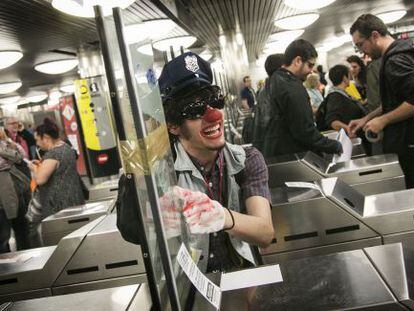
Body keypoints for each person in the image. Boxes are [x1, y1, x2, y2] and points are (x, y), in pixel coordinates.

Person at [157, 52, 274, 274]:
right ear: (173, 125)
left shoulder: (248, 160)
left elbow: (265, 233)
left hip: (243, 276)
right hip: (192, 289)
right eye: (195, 109)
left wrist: (222, 216)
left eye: (214, 101)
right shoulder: (162, 172)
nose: (213, 115)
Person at [349, 14, 414, 188]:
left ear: (375, 35)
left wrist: (383, 120)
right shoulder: (401, 51)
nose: (362, 51)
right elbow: (396, 102)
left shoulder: (396, 60)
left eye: (361, 44)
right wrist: (367, 119)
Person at [263, 39, 342, 157]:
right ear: (298, 61)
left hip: (276, 155)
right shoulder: (291, 87)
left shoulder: (274, 80)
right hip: (293, 157)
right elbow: (305, 132)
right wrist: (334, 145)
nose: (310, 71)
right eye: (309, 65)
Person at [27, 118, 85, 245]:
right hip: (74, 198)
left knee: (60, 241)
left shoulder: (53, 154)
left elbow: (41, 180)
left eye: (38, 140)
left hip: (57, 204)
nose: (37, 144)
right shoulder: (66, 147)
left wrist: (34, 168)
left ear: (46, 138)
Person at [0, 127, 29, 253]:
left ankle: (25, 255)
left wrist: (7, 142)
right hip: (3, 196)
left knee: (21, 228)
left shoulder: (5, 143)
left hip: (15, 190)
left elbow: (21, 156)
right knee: (3, 235)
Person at [252, 53, 285, 152]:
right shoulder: (272, 91)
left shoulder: (267, 89)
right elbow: (267, 122)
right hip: (276, 149)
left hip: (269, 147)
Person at [323, 65, 367, 133]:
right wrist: (348, 129)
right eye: (349, 75)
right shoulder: (335, 96)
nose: (350, 78)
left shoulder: (342, 94)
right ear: (344, 78)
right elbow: (332, 121)